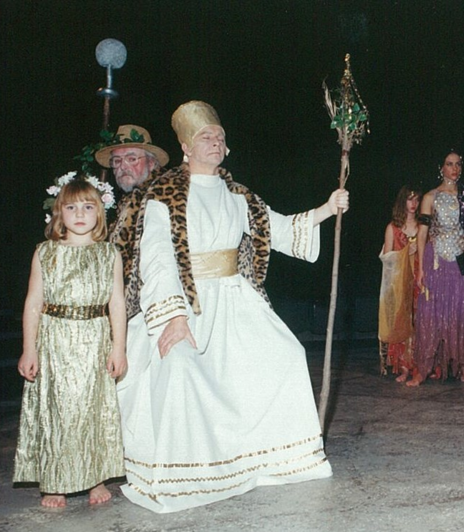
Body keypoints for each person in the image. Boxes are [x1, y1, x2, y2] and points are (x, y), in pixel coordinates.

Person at [115, 101, 347, 513]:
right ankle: (189, 472)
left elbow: (277, 228)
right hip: (188, 302)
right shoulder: (162, 195)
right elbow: (156, 258)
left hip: (234, 297)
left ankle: (273, 460)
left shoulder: (238, 195)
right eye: (206, 137)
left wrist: (328, 209)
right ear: (185, 146)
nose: (215, 143)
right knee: (179, 367)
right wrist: (173, 316)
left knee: (289, 356)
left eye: (220, 137)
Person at [14, 176, 126, 507]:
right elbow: (33, 302)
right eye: (71, 207)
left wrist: (118, 347)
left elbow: (116, 303)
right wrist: (28, 348)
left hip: (94, 340)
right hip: (54, 341)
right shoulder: (45, 252)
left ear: (99, 214)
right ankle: (54, 481)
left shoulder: (109, 254)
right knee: (57, 410)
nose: (80, 214)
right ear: (59, 213)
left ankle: (96, 478)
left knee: (94, 410)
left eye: (88, 207)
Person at [406, 150, 464, 387]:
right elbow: (422, 233)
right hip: (437, 261)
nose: (454, 169)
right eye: (450, 164)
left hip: (462, 260)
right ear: (441, 168)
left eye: (458, 164)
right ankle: (423, 369)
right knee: (432, 313)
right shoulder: (431, 197)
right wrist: (421, 268)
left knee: (463, 314)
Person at [97, 125, 169, 320]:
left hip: (156, 308)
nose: (123, 167)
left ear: (152, 163)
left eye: (132, 158)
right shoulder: (126, 202)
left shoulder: (163, 195)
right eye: (117, 161)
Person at [378, 185, 421, 382]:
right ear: (402, 201)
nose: (413, 204)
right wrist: (405, 252)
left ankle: (420, 366)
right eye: (409, 199)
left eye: (417, 199)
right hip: (400, 282)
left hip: (420, 280)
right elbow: (388, 259)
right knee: (403, 323)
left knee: (420, 322)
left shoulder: (423, 226)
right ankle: (404, 367)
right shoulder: (392, 228)